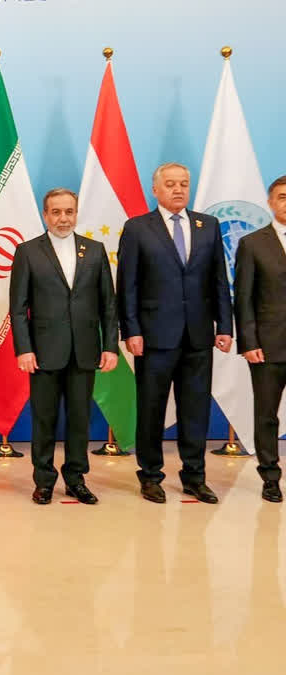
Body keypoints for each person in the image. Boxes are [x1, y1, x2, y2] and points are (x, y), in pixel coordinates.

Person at [116, 162, 233, 504]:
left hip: (198, 335)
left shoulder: (208, 225)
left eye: (183, 183)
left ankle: (194, 476)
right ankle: (150, 475)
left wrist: (224, 326)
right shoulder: (138, 228)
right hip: (154, 337)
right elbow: (128, 286)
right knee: (151, 409)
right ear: (156, 189)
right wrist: (131, 330)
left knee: (195, 409)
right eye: (170, 184)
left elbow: (219, 281)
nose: (178, 189)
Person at [10, 188, 118, 505]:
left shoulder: (95, 251)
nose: (63, 218)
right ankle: (43, 480)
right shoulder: (28, 251)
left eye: (68, 211)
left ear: (76, 213)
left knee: (79, 418)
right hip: (43, 351)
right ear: (46, 215)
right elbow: (18, 308)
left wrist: (110, 346)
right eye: (56, 212)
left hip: (85, 350)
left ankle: (75, 478)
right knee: (43, 419)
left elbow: (108, 305)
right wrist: (24, 348)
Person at [234, 175, 286, 503]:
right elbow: (244, 298)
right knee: (266, 414)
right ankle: (270, 476)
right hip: (268, 346)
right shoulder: (253, 243)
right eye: (282, 197)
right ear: (270, 202)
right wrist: (249, 342)